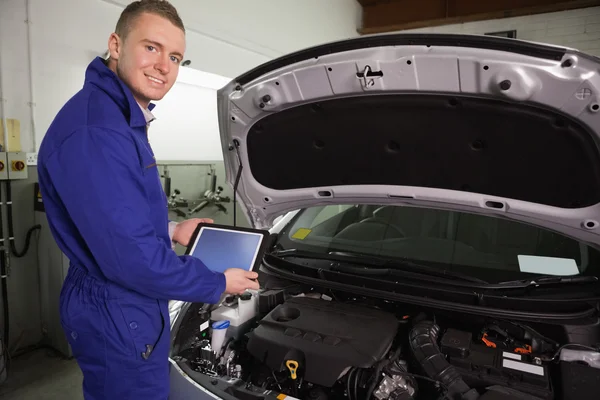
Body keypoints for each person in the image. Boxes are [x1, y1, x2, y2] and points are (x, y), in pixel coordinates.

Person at [36, 1, 259, 399]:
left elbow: (120, 220)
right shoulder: (100, 131)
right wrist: (218, 283)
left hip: (121, 301)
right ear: (116, 45)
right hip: (118, 309)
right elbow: (133, 259)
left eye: (175, 56)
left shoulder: (120, 116)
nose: (164, 66)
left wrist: (172, 229)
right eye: (151, 48)